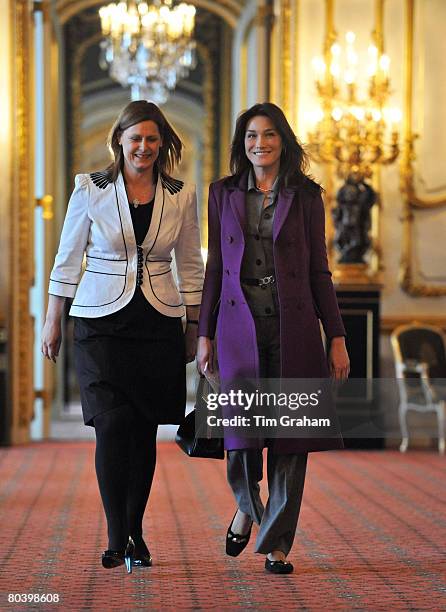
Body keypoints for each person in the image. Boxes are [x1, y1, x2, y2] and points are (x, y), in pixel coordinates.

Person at [42, 100, 203, 573]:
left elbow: (191, 263)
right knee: (112, 425)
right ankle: (118, 535)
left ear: (163, 143)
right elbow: (68, 257)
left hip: (157, 322)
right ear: (119, 141)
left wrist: (194, 325)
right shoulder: (90, 189)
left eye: (153, 139)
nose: (144, 147)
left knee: (144, 429)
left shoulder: (181, 193)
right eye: (136, 138)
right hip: (99, 322)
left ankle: (134, 531)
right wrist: (54, 317)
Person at [197, 102, 349, 575]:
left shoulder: (306, 196)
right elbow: (216, 269)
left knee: (290, 441)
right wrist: (204, 334)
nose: (258, 144)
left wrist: (337, 335)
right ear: (242, 146)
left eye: (267, 135)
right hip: (237, 328)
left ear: (283, 141)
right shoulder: (221, 193)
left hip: (295, 328)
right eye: (249, 137)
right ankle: (249, 507)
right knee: (241, 437)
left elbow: (319, 271)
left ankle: (278, 544)